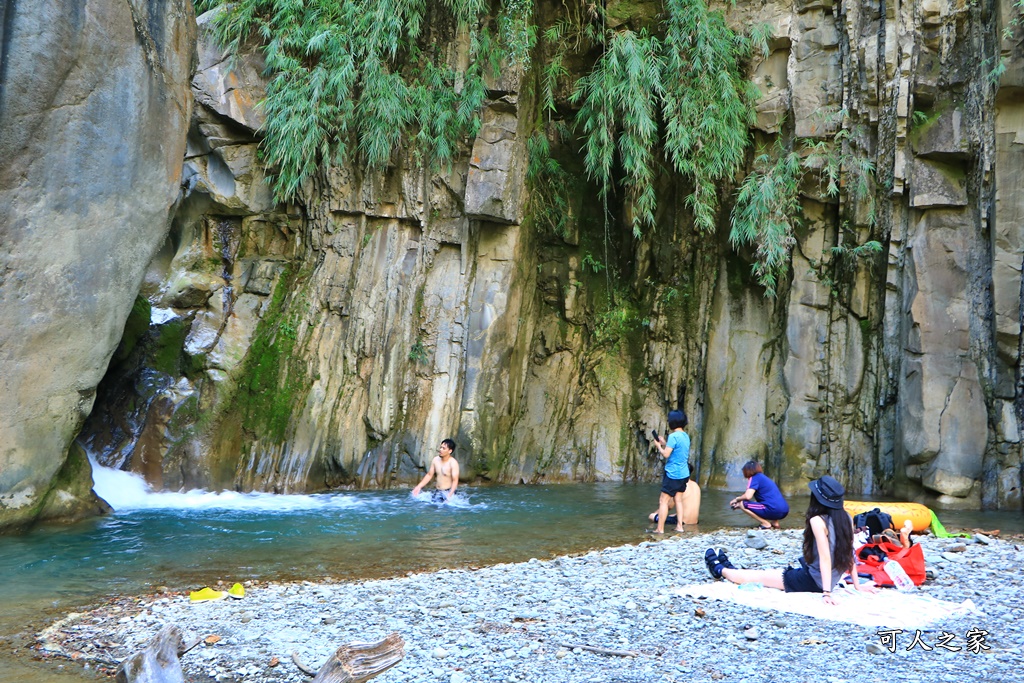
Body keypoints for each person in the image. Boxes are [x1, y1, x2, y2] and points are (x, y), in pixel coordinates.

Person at [703, 475, 878, 604]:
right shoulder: (846, 517)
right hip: (824, 579)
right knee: (766, 575)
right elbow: (849, 552)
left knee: (761, 576)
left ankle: (720, 570)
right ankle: (731, 569)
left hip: (813, 580)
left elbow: (825, 557)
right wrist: (857, 585)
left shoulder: (817, 521)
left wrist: (826, 593)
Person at [652, 410, 690, 533]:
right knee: (678, 499)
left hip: (673, 474)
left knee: (663, 500)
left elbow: (666, 454)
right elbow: (677, 449)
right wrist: (664, 443)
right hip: (684, 474)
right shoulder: (685, 436)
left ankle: (660, 529)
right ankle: (680, 526)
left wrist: (658, 446)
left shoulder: (673, 436)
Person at [729, 460, 789, 529]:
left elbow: (748, 496)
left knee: (742, 503)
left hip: (774, 509)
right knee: (768, 503)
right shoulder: (764, 478)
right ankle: (775, 523)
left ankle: (765, 524)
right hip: (784, 510)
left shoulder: (754, 478)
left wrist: (737, 499)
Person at [412, 439, 460, 503]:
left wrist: (450, 495)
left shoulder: (453, 463)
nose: (440, 450)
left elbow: (455, 480)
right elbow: (429, 475)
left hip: (447, 492)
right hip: (438, 491)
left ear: (450, 451)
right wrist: (418, 487)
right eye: (440, 447)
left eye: (443, 448)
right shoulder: (435, 460)